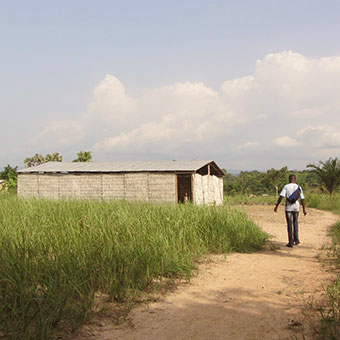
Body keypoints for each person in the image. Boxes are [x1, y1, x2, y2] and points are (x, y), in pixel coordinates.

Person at [274, 174, 307, 247]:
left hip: (288, 207)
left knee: (289, 224)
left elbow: (281, 196)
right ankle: (296, 240)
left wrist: (276, 206)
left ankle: (290, 242)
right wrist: (304, 210)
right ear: (295, 179)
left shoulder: (286, 186)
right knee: (295, 223)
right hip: (296, 207)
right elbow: (302, 199)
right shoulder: (299, 187)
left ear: (289, 179)